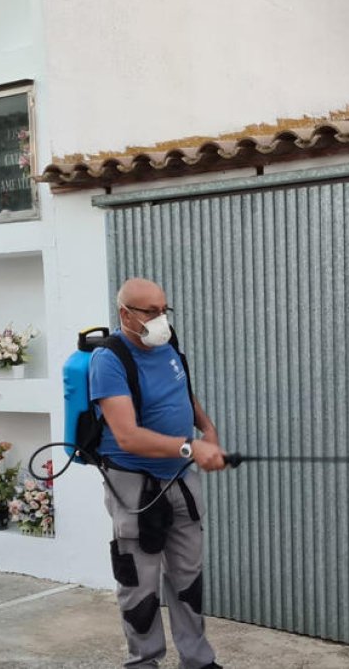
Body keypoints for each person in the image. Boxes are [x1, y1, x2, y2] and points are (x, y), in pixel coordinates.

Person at [90, 277, 226, 669]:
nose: (160, 319)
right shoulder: (109, 360)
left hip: (181, 479)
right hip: (134, 485)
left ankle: (198, 661)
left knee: (188, 578)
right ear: (125, 314)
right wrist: (190, 447)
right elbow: (128, 436)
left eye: (164, 309)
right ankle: (143, 662)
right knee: (140, 586)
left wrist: (208, 429)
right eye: (150, 311)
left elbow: (182, 389)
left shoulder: (166, 343)